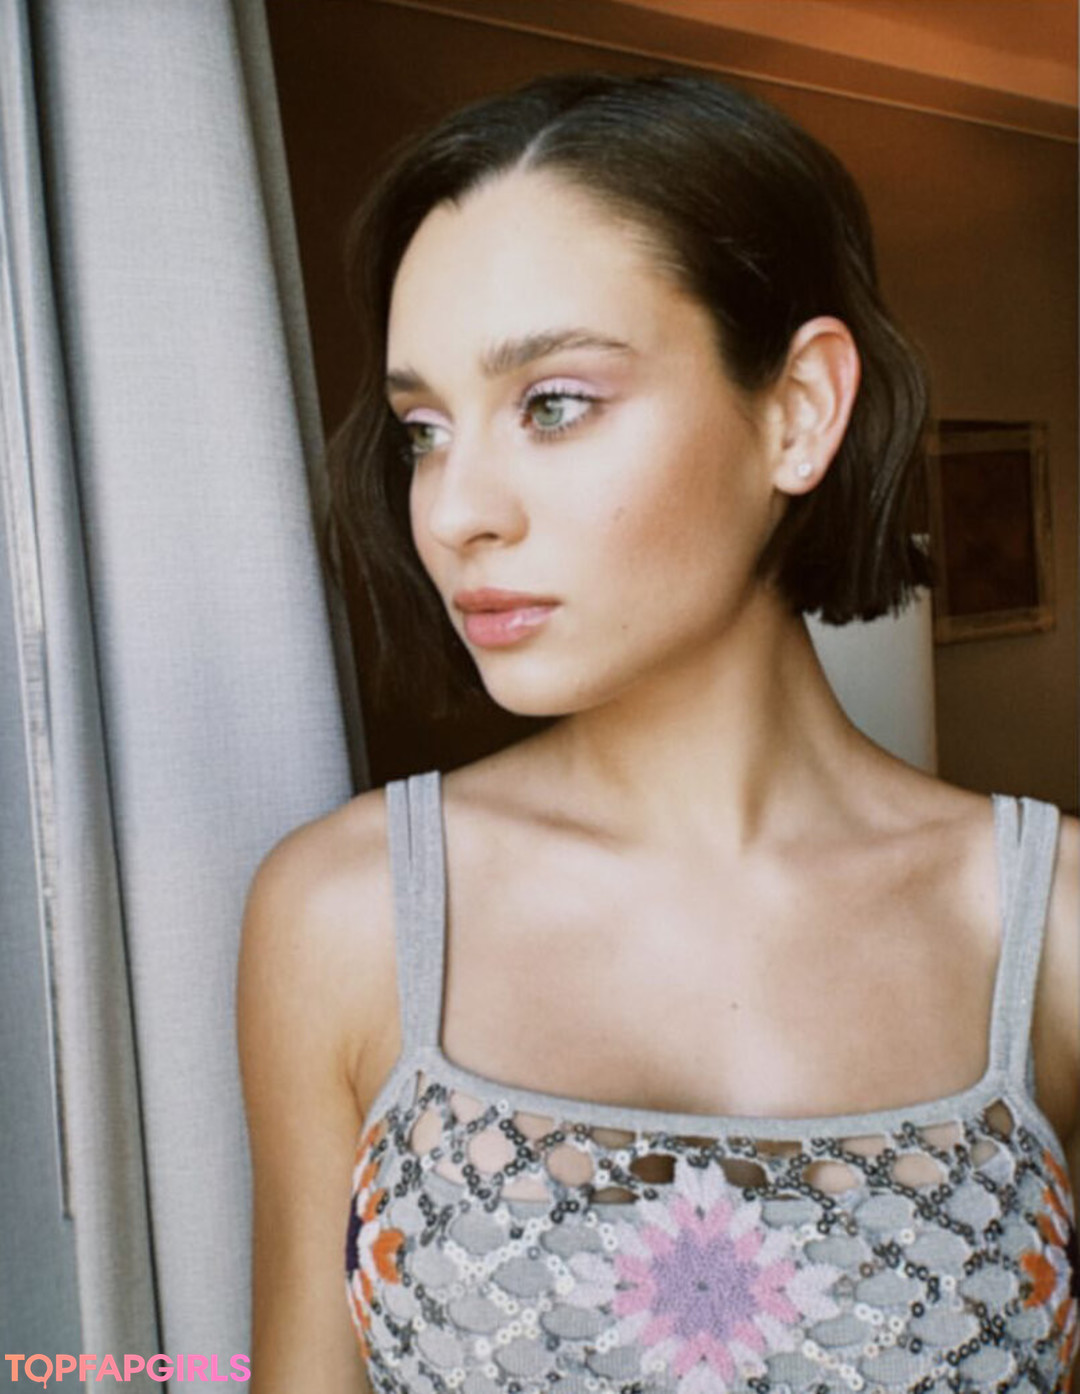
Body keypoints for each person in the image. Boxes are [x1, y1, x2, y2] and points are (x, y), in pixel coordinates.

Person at [236, 72, 1079, 1394]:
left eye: (553, 403)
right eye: (423, 431)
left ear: (798, 409)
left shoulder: (1053, 927)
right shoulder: (347, 914)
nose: (454, 510)